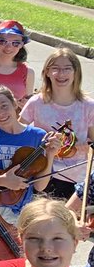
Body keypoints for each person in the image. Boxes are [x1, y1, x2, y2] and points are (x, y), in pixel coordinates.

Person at [0, 84, 57, 226]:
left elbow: (39, 186)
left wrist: (50, 155)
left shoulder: (38, 136)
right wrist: (2, 181)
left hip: (23, 209)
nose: (0, 113)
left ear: (14, 103)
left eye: (4, 106)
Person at [20, 48, 94, 200]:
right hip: (41, 175)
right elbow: (18, 135)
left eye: (67, 69)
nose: (61, 74)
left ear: (76, 72)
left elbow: (92, 144)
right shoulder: (36, 102)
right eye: (55, 69)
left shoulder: (88, 106)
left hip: (76, 181)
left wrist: (73, 150)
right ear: (47, 72)